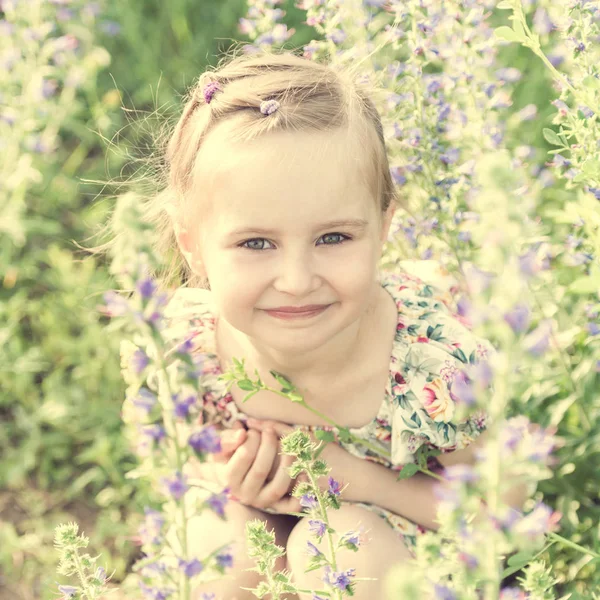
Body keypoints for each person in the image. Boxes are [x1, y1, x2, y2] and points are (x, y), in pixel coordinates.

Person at [141, 49, 499, 600]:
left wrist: (354, 479)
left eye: (333, 238)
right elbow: (166, 461)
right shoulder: (183, 348)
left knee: (335, 548)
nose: (296, 279)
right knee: (213, 543)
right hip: (263, 522)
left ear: (383, 229)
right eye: (255, 243)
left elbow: (498, 513)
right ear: (193, 246)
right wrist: (227, 477)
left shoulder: (435, 367)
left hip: (406, 542)